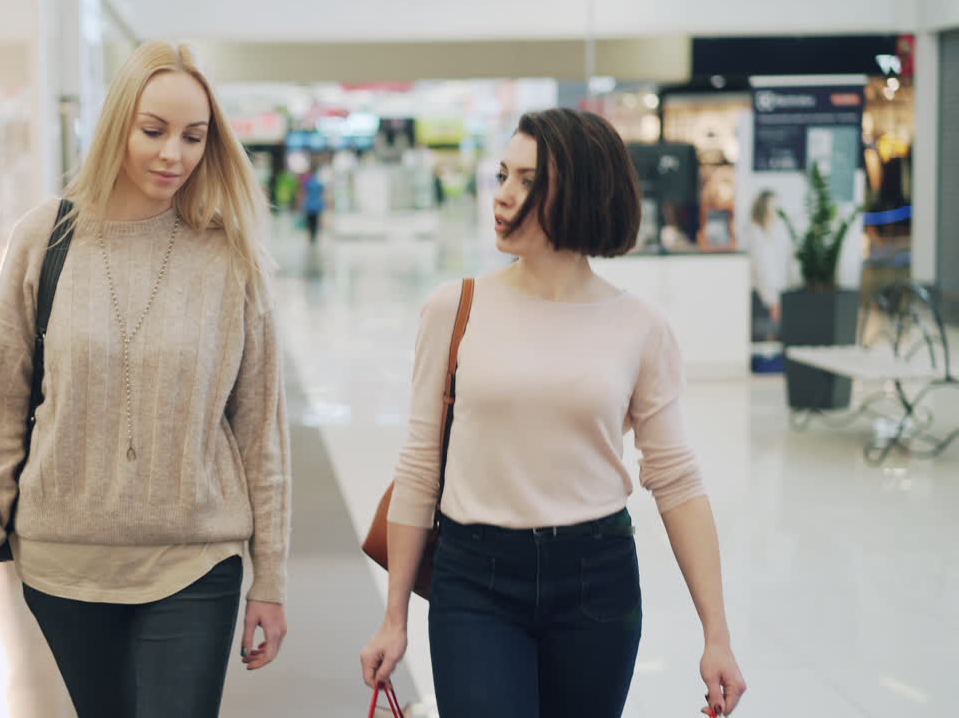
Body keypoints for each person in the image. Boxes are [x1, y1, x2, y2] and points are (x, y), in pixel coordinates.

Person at [360, 108, 747, 718]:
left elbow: (676, 480)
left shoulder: (640, 327)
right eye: (503, 176)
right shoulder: (454, 309)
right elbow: (419, 466)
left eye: (527, 181)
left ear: (582, 192)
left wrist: (716, 636)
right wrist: (394, 617)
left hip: (596, 577)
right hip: (474, 577)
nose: (502, 195)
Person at [0, 40, 291, 718]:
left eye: (193, 136)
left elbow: (260, 432)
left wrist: (271, 578)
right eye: (153, 131)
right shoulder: (45, 238)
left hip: (196, 559)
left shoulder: (228, 254)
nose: (173, 155)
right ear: (116, 127)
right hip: (65, 563)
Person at [746, 189, 794, 340]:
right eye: (772, 209)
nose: (775, 214)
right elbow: (761, 269)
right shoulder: (755, 234)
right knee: (765, 339)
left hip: (777, 294)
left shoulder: (778, 231)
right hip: (763, 297)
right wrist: (772, 300)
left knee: (775, 337)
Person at [302, 167, 326, 245]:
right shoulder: (319, 184)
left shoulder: (308, 184)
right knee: (315, 222)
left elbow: (305, 194)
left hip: (309, 205)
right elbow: (323, 194)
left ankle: (311, 236)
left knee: (310, 222)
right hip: (317, 205)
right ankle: (314, 236)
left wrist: (302, 204)